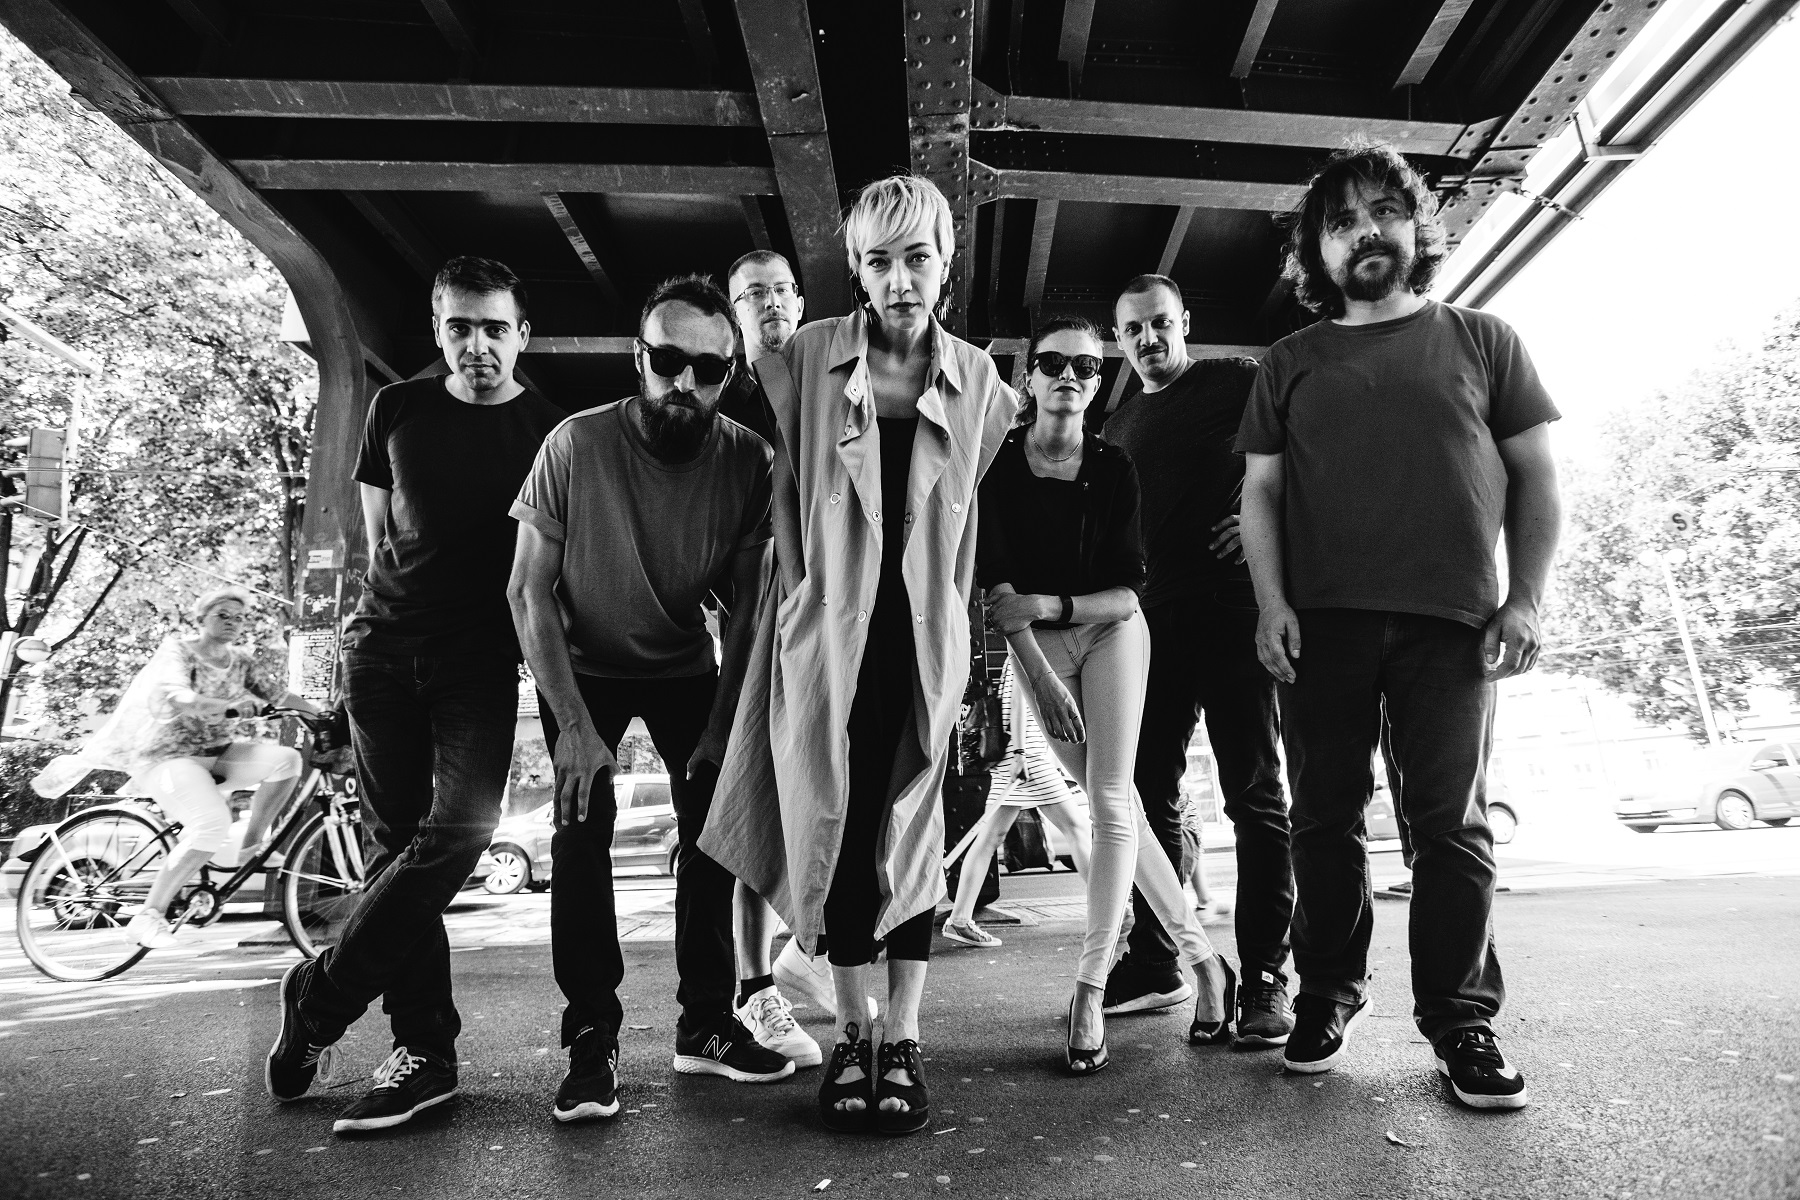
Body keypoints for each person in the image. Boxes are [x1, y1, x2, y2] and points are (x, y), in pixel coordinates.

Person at [1236, 141, 1561, 1110]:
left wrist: (1527, 596)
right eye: (1341, 222)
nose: (1366, 231)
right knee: (1321, 821)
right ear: (1318, 252)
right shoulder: (1288, 362)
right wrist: (1271, 603)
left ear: (1418, 227)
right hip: (1322, 626)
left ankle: (1462, 1020)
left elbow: (1538, 478)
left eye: (1385, 210)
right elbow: (1260, 496)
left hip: (1452, 624)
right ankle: (1328, 993)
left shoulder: (1485, 340)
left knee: (1450, 827)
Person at [700, 174, 1017, 1135]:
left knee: (910, 825)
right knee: (832, 821)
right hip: (828, 637)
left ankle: (904, 1036)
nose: (899, 280)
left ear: (947, 263)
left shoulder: (980, 381)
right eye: (879, 262)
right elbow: (784, 484)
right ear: (856, 271)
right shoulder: (805, 356)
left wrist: (962, 635)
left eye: (917, 258)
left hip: (922, 639)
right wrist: (800, 592)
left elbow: (963, 524)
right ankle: (850, 1033)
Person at [266, 256, 564, 1134]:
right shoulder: (395, 409)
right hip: (384, 654)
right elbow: (382, 537)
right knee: (396, 847)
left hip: (479, 662)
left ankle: (320, 996)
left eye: (495, 328)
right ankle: (424, 1051)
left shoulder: (550, 433)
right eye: (459, 327)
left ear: (522, 335)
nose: (478, 345)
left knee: (462, 831)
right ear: (439, 330)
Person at [509, 273, 796, 1125]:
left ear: (728, 375)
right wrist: (570, 725)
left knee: (713, 829)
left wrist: (721, 728)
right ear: (639, 358)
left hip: (682, 663)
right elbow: (527, 591)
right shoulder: (574, 443)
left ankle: (705, 1024)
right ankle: (591, 1039)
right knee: (579, 832)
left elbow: (749, 610)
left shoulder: (749, 459)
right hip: (583, 668)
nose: (684, 382)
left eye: (707, 369)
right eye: (668, 360)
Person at [976, 315, 1234, 1075]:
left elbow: (1126, 594)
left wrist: (1050, 606)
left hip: (1111, 633)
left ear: (1097, 382)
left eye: (1086, 367)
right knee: (1116, 807)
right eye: (1053, 362)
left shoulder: (1115, 465)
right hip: (1042, 653)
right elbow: (998, 595)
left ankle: (1090, 985)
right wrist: (1039, 677)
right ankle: (1206, 963)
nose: (1069, 376)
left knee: (1113, 800)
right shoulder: (998, 467)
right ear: (1029, 375)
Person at [1095, 274, 1295, 1047]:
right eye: (1132, 330)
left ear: (1184, 321)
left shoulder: (1235, 380)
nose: (1148, 338)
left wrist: (1262, 520)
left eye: (1159, 323)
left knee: (1254, 793)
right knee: (1145, 797)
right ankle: (1157, 962)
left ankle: (1267, 976)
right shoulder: (1118, 425)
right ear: (1120, 341)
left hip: (1233, 613)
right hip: (1150, 627)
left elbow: (1300, 448)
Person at [716, 249, 849, 1046]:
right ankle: (754, 985)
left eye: (778, 290)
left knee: (834, 781)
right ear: (734, 311)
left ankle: (807, 949)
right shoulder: (726, 396)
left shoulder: (828, 379)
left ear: (799, 301)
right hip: (760, 613)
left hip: (830, 605)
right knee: (756, 789)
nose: (768, 303)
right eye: (750, 295)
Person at [33, 587, 312, 949]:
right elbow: (178, 695)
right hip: (167, 757)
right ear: (201, 618)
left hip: (217, 753)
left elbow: (280, 696)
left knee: (286, 760)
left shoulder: (241, 661)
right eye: (223, 615)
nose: (232, 622)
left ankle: (250, 847)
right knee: (212, 823)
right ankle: (148, 916)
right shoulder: (178, 651)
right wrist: (225, 706)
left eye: (239, 617)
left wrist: (328, 716)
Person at [939, 659, 1089, 948]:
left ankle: (959, 919)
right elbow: (1020, 702)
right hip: (1026, 757)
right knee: (1077, 828)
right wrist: (1020, 752)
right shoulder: (1027, 652)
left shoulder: (1019, 653)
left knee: (989, 839)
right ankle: (1114, 911)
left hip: (1018, 757)